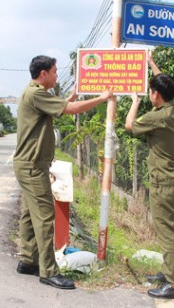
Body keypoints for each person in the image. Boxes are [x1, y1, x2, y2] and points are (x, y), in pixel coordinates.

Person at [13, 55, 114, 290]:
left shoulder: (35, 93)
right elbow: (68, 110)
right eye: (55, 71)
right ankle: (48, 271)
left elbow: (59, 107)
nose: (57, 75)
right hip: (32, 166)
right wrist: (101, 98)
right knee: (45, 217)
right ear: (43, 74)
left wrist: (72, 96)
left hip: (29, 164)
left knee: (30, 214)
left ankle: (28, 261)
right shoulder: (36, 93)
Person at [124, 51, 174, 299]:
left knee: (167, 231)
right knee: (173, 229)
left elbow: (130, 126)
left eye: (152, 91)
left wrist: (134, 103)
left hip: (164, 182)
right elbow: (164, 82)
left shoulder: (158, 117)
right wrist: (152, 64)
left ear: (155, 95)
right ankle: (169, 271)